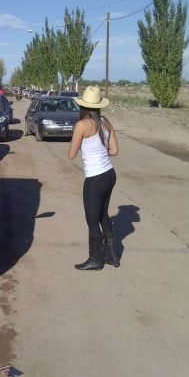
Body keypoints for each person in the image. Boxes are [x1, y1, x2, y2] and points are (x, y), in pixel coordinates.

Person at [67, 86, 119, 270]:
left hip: (95, 178)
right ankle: (113, 256)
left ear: (83, 106)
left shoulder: (81, 125)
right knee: (103, 214)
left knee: (92, 219)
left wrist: (83, 147)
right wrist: (99, 152)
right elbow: (114, 150)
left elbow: (71, 154)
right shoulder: (106, 122)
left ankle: (96, 259)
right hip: (109, 174)